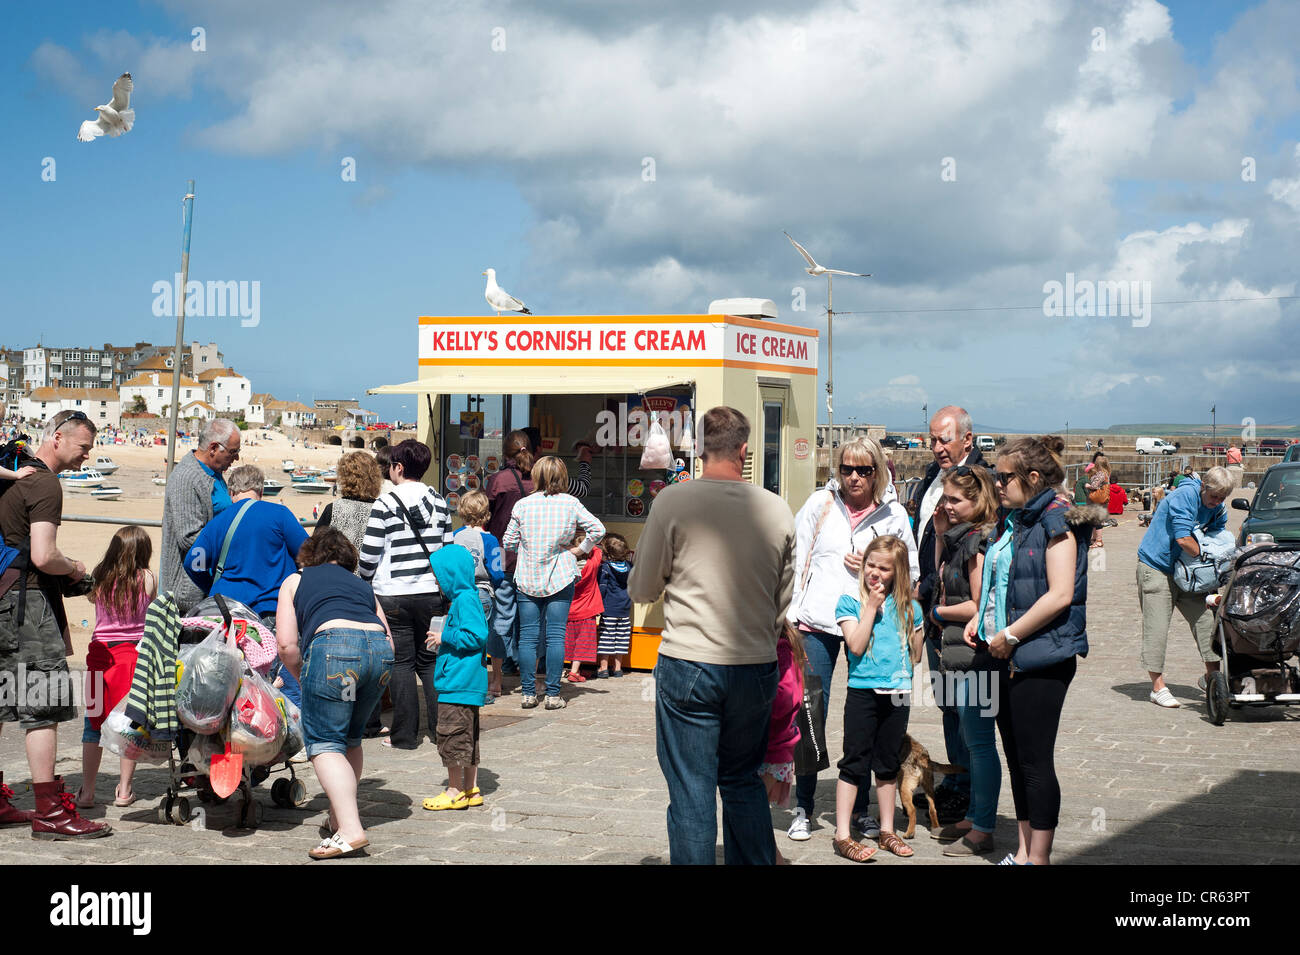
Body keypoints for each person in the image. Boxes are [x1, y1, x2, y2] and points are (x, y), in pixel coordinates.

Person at [629, 406, 795, 865]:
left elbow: (642, 587)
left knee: (691, 788)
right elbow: (784, 602)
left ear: (698, 448)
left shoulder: (673, 503)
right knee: (741, 779)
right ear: (744, 450)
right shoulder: (776, 509)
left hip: (690, 661)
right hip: (755, 664)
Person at [964, 435, 1100, 866]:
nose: (997, 485)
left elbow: (1059, 595)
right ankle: (1023, 851)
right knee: (1017, 758)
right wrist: (982, 620)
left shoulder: (1055, 520)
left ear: (1033, 477)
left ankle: (1038, 858)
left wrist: (1011, 636)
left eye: (1005, 478)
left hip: (1042, 656)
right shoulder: (1019, 518)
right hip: (1008, 654)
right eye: (996, 477)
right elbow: (1005, 584)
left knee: (1036, 760)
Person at [786, 435, 917, 843]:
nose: (854, 477)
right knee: (810, 715)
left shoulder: (894, 515)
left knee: (866, 717)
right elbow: (794, 558)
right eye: (847, 469)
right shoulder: (819, 505)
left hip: (872, 625)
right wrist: (788, 615)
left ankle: (860, 813)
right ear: (837, 470)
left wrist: (872, 569)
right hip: (817, 622)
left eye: (864, 470)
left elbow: (910, 572)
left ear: (878, 472)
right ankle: (803, 806)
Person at [0, 410, 111, 838]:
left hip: (1, 598)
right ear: (59, 437)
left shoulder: (12, 472)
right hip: (27, 605)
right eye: (83, 447)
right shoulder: (44, 482)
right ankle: (50, 810)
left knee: (4, 703)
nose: (86, 457)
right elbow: (44, 555)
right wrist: (76, 568)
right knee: (41, 704)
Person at [276, 528, 393, 859]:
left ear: (310, 555)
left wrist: (304, 677)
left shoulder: (295, 581)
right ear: (346, 558)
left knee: (325, 743)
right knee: (350, 739)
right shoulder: (362, 587)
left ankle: (351, 829)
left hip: (334, 651)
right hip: (379, 656)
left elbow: (286, 645)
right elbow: (389, 638)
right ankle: (338, 816)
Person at [907, 405, 989, 821]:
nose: (936, 447)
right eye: (932, 439)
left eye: (944, 439)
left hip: (958, 608)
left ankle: (968, 789)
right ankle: (956, 781)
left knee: (965, 707)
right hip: (934, 603)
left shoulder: (978, 481)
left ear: (967, 440)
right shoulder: (930, 479)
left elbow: (978, 546)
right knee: (946, 703)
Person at [831, 536, 925, 862]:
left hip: (897, 693)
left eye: (884, 568)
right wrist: (871, 607)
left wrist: (918, 625)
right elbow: (855, 645)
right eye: (871, 564)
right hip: (863, 691)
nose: (875, 572)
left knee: (887, 764)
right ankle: (843, 833)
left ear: (897, 572)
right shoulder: (850, 602)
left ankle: (887, 830)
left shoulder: (910, 608)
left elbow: (915, 654)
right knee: (854, 761)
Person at [184, 464, 309, 703]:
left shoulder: (220, 521)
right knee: (274, 685)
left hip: (229, 613)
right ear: (260, 490)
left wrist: (211, 583)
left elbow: (194, 561)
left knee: (233, 683)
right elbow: (309, 555)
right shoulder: (280, 514)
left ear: (232, 492)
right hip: (272, 611)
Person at [357, 439, 454, 749]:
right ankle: (443, 731)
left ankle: (404, 736)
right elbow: (448, 549)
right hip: (431, 593)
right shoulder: (440, 501)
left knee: (400, 664)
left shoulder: (384, 503)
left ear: (398, 467)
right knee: (429, 662)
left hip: (393, 594)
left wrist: (362, 581)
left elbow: (370, 555)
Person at [929, 466, 1001, 856]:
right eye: (946, 497)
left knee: (979, 742)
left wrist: (939, 615)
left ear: (978, 502)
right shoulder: (959, 539)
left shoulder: (976, 543)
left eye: (955, 499)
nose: (948, 505)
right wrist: (940, 534)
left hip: (976, 656)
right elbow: (943, 579)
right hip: (958, 654)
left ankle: (983, 827)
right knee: (971, 738)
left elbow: (977, 604)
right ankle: (974, 815)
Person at [502, 455, 605, 709]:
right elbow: (598, 530)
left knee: (527, 637)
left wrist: (527, 546)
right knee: (555, 636)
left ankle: (528, 693)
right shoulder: (571, 503)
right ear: (563, 477)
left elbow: (508, 542)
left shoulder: (523, 505)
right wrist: (580, 550)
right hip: (560, 575)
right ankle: (552, 695)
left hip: (527, 576)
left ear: (536, 476)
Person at [1135, 466, 1232, 708]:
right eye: (1214, 497)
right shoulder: (1184, 496)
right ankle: (1157, 687)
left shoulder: (1217, 506)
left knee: (1207, 622)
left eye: (1222, 498)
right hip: (1157, 567)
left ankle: (1212, 678)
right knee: (1157, 626)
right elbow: (1183, 538)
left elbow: (1220, 530)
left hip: (1189, 572)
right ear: (1203, 487)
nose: (1217, 502)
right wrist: (1211, 557)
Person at [77, 525, 156, 809]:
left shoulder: (99, 577)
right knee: (129, 724)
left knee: (92, 724)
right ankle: (124, 790)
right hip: (130, 658)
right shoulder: (146, 578)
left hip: (100, 657)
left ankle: (86, 792)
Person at [421, 545, 489, 811]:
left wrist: (444, 637)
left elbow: (476, 637)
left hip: (458, 683)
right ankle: (471, 789)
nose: (436, 580)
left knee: (450, 737)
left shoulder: (464, 600)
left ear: (452, 574)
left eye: (438, 574)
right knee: (467, 739)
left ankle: (454, 791)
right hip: (465, 682)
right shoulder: (465, 599)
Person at [161, 418, 241, 613]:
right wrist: (236, 544)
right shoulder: (186, 477)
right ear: (213, 448)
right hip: (189, 593)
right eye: (233, 452)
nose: (236, 458)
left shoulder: (213, 472)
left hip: (208, 586)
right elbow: (189, 538)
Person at [485, 431, 536, 676]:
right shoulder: (540, 479)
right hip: (531, 557)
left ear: (506, 453)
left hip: (501, 555)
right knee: (529, 618)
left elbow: (487, 516)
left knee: (501, 616)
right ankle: (527, 672)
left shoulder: (498, 480)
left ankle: (498, 674)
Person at [451, 490, 505, 701]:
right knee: (479, 642)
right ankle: (480, 689)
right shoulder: (491, 540)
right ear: (486, 513)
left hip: (457, 594)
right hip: (481, 594)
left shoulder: (454, 537)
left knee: (461, 640)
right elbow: (498, 573)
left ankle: (460, 684)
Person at [764, 623, 805, 865]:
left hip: (773, 750)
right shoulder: (781, 647)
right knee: (754, 811)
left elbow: (785, 699)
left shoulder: (780, 650)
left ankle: (776, 860)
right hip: (772, 749)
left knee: (753, 811)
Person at [564, 529, 603, 683]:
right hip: (587, 611)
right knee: (583, 642)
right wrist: (587, 540)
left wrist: (570, 547)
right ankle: (574, 672)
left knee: (569, 641)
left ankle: (570, 669)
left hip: (569, 610)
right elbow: (597, 550)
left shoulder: (568, 566)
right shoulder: (592, 565)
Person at [595, 533, 633, 678]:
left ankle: (603, 668)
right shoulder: (630, 567)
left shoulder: (605, 568)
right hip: (624, 610)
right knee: (622, 639)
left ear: (607, 553)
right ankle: (617, 668)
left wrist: (598, 605)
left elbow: (602, 588)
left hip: (609, 609)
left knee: (606, 638)